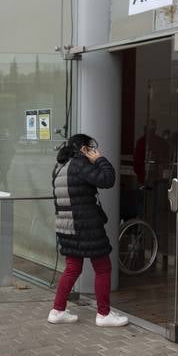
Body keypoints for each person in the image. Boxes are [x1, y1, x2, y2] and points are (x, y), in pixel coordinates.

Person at [47, 134, 129, 327]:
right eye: (90, 147)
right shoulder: (79, 164)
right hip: (86, 226)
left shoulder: (59, 167)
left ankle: (57, 310)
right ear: (83, 149)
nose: (93, 149)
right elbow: (107, 179)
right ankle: (103, 314)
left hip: (66, 225)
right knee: (103, 268)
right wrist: (99, 159)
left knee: (72, 268)